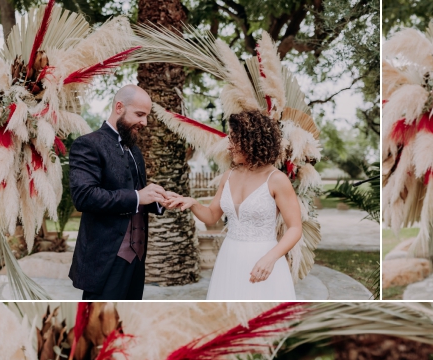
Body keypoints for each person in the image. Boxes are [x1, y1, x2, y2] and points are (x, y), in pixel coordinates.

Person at [163, 110, 302, 299]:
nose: (229, 146)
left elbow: (295, 228)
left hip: (264, 259)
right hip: (230, 258)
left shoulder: (277, 180)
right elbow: (212, 215)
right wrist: (193, 203)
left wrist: (271, 258)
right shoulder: (229, 176)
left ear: (252, 141)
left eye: (234, 140)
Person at [68, 85, 167, 300]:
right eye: (140, 115)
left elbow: (138, 196)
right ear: (119, 107)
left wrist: (159, 199)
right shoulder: (87, 144)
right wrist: (139, 196)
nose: (145, 122)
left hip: (137, 261)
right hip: (105, 260)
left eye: (147, 116)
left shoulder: (135, 150)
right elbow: (84, 196)